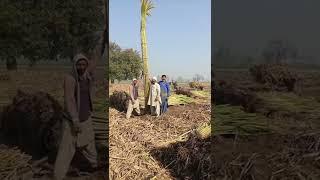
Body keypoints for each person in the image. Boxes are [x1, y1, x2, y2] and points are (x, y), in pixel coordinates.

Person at [53, 54, 98, 180]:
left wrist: (103, 41)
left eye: (84, 64)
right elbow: (69, 100)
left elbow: (95, 59)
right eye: (79, 65)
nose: (81, 67)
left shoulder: (86, 76)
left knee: (89, 144)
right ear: (74, 65)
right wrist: (74, 119)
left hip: (86, 117)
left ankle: (95, 166)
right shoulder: (70, 78)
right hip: (72, 120)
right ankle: (58, 176)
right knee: (66, 149)